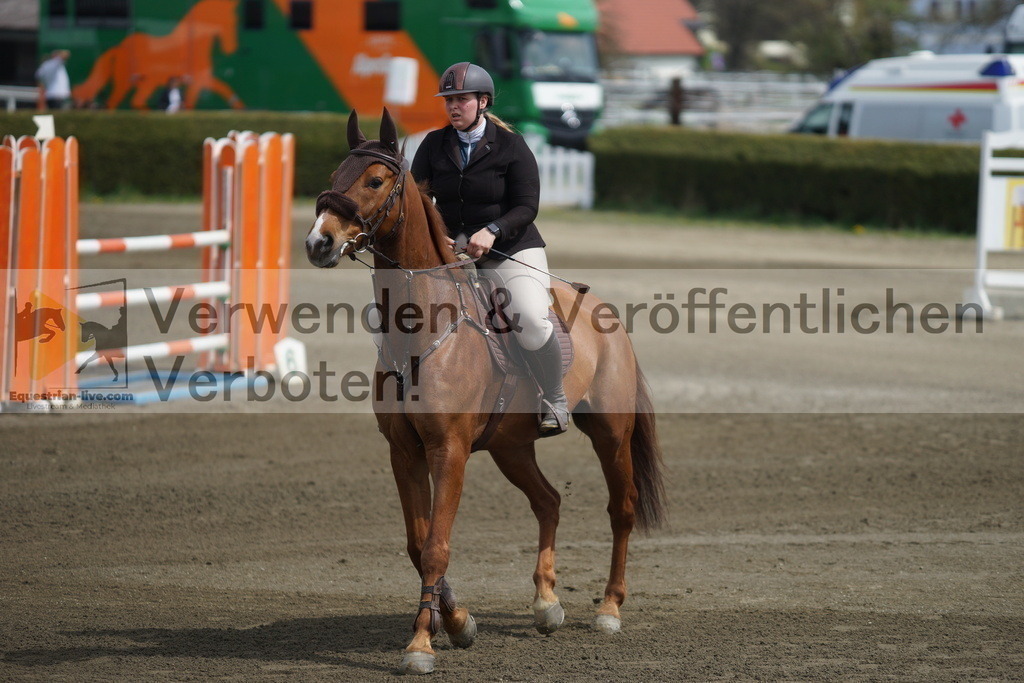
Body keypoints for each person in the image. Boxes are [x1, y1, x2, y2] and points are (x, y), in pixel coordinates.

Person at [411, 62, 568, 437]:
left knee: (530, 319)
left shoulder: (511, 145)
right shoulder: (434, 145)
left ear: (483, 101)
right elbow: (418, 200)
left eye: (461, 99)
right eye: (449, 100)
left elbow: (527, 207)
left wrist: (493, 231)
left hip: (511, 247)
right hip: (453, 251)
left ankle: (555, 398)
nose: (453, 106)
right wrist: (436, 234)